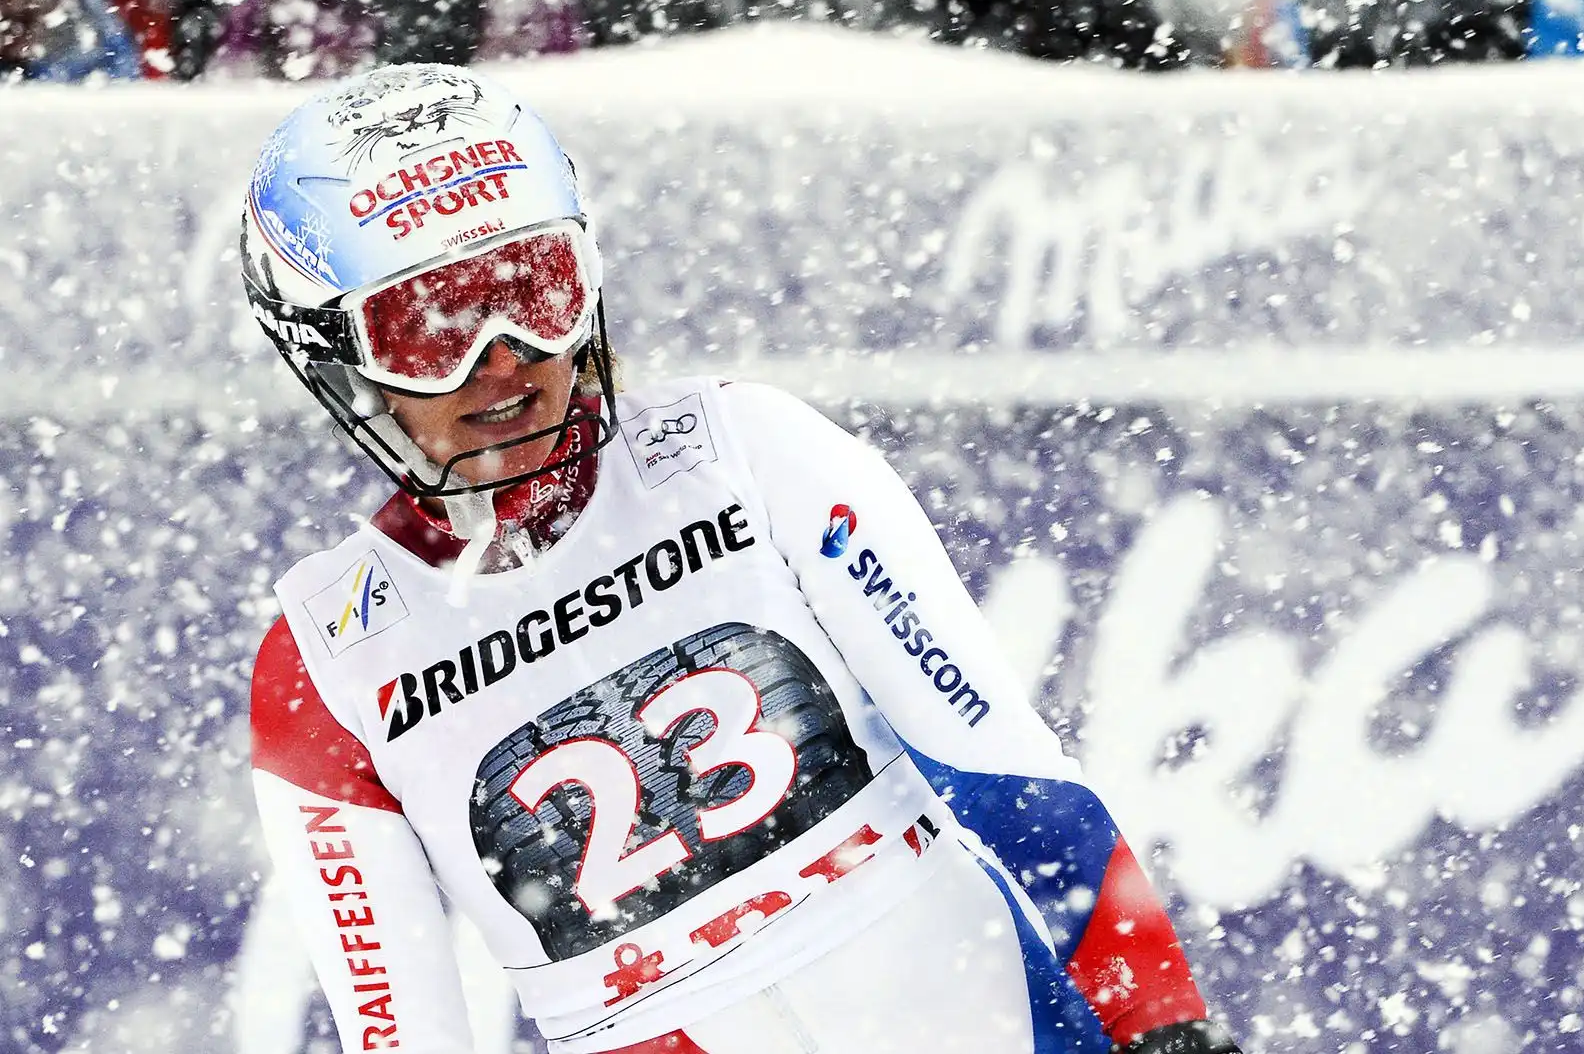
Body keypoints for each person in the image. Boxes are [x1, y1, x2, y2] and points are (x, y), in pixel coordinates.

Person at [243, 63, 1243, 1054]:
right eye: (431, 327)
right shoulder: (325, 664)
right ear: (334, 353)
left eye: (532, 290)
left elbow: (1012, 779)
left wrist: (1166, 1026)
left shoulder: (748, 452)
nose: (502, 360)